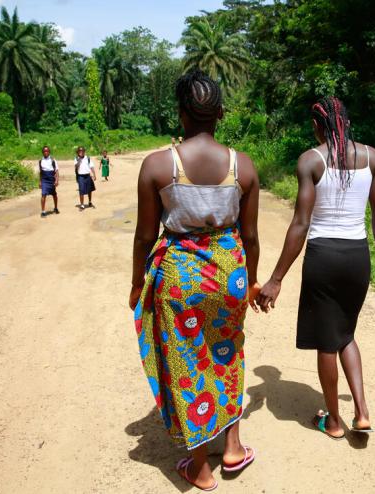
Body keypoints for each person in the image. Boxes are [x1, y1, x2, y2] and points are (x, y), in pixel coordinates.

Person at [129, 70, 261, 491]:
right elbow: (252, 236)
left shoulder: (157, 165)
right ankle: (234, 447)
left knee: (190, 364)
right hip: (230, 275)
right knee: (228, 353)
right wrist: (252, 282)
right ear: (220, 113)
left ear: (182, 113)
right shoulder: (244, 166)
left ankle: (201, 467)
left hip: (181, 276)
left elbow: (146, 236)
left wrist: (137, 282)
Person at [256, 96, 375, 440]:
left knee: (327, 340)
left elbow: (301, 223)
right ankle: (361, 412)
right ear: (346, 122)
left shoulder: (310, 160)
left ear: (317, 126)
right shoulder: (372, 157)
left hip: (323, 256)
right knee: (346, 331)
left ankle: (334, 421)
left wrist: (276, 279)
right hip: (357, 257)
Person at [38, 146, 59, 217]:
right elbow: (40, 172)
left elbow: (56, 171)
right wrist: (40, 182)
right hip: (44, 179)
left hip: (51, 179)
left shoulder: (53, 160)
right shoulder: (41, 161)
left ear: (49, 152)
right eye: (44, 151)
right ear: (42, 152)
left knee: (54, 194)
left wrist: (56, 180)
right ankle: (43, 211)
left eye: (47, 151)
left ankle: (56, 208)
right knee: (43, 194)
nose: (46, 152)